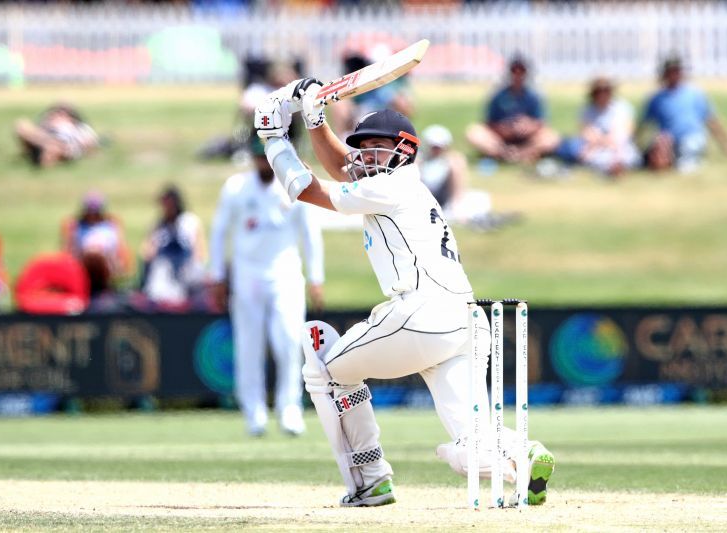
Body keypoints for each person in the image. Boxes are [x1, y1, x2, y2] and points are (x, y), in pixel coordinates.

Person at [253, 79, 555, 507]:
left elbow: (307, 189)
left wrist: (274, 140)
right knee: (471, 439)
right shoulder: (397, 186)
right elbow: (343, 168)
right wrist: (315, 119)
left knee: (325, 369)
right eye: (363, 147)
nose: (366, 155)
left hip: (422, 314)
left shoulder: (392, 184)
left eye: (377, 146)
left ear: (406, 150)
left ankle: (370, 479)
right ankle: (522, 455)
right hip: (467, 321)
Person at [208, 134, 325, 437]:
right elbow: (219, 232)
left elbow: (311, 233)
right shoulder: (236, 187)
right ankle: (254, 412)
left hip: (285, 272)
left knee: (287, 340)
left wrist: (316, 277)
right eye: (259, 158)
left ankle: (290, 409)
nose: (264, 164)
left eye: (268, 158)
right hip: (247, 274)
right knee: (248, 345)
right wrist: (218, 275)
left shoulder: (294, 185)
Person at [637, 56, 727, 173]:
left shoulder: (695, 94)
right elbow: (644, 124)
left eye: (676, 71)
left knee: (686, 164)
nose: (673, 74)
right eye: (670, 71)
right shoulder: (656, 98)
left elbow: (712, 122)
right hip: (668, 141)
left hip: (691, 138)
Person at [466, 55, 559, 165]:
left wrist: (528, 127)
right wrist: (504, 129)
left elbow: (541, 123)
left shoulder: (534, 96)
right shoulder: (498, 96)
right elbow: (488, 123)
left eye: (521, 72)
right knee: (474, 133)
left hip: (527, 139)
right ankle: (502, 153)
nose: (518, 75)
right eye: (515, 71)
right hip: (502, 140)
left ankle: (523, 154)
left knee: (552, 138)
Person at [419, 124, 516, 230]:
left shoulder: (452, 159)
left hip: (447, 199)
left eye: (439, 147)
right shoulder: (419, 161)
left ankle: (456, 209)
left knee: (481, 199)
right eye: (434, 147)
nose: (437, 150)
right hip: (429, 200)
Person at [140, 185, 208, 311]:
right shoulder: (158, 225)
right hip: (163, 268)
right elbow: (147, 252)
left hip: (186, 267)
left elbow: (199, 252)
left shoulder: (190, 222)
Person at [557, 77, 641, 177]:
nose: (602, 94)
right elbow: (586, 132)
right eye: (599, 91)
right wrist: (603, 140)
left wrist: (610, 140)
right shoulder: (587, 110)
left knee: (627, 156)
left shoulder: (623, 107)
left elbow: (627, 131)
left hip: (619, 145)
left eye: (606, 90)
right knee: (581, 152)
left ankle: (616, 167)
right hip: (596, 147)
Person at [61, 191, 132, 298]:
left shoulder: (110, 225)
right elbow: (68, 251)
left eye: (95, 210)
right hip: (82, 265)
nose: (92, 214)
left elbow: (121, 251)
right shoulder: (76, 226)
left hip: (107, 266)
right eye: (90, 210)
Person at [15, 103, 100, 168]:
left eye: (64, 112)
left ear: (71, 117)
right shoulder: (47, 123)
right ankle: (33, 153)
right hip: (44, 138)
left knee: (52, 149)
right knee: (21, 125)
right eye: (57, 111)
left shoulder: (80, 127)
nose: (59, 114)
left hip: (63, 145)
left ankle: (42, 160)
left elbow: (89, 142)